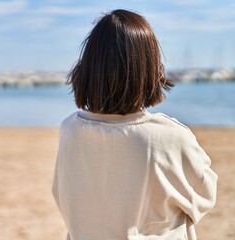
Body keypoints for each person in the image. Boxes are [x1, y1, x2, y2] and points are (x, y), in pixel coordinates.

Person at [52, 9, 217, 240]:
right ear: (149, 69)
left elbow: (62, 196)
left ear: (89, 69)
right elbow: (204, 195)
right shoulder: (169, 136)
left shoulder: (69, 128)